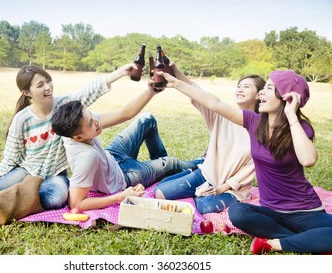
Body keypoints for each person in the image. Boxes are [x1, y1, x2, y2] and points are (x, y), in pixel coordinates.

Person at [158, 69, 332, 254]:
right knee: (238, 213)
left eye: (269, 88)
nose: (261, 93)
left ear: (286, 98)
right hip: (270, 212)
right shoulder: (253, 121)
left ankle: (274, 243)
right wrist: (176, 83)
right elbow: (213, 103)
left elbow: (308, 159)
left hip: (305, 211)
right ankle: (303, 240)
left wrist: (291, 114)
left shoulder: (301, 128)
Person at [0, 63, 135, 228]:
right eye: (40, 85)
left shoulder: (64, 105)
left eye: (48, 81)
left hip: (55, 174)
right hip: (26, 171)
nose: (48, 87)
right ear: (27, 92)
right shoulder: (22, 119)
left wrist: (121, 72)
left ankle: (9, 200)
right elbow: (10, 157)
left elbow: (91, 90)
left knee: (57, 198)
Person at [51, 80, 202, 211]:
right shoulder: (86, 158)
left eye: (91, 115)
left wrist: (151, 91)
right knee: (171, 163)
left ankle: (163, 171)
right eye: (91, 123)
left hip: (113, 156)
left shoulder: (72, 129)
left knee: (146, 119)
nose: (96, 121)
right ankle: (206, 163)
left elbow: (124, 113)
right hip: (124, 178)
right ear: (77, 137)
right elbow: (76, 203)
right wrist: (120, 197)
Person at [154, 63, 265, 215]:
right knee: (159, 192)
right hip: (207, 174)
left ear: (259, 94)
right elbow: (199, 95)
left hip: (231, 187)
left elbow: (251, 168)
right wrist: (176, 72)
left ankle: (193, 181)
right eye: (239, 86)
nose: (240, 89)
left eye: (246, 87)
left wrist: (224, 187)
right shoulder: (222, 116)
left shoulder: (262, 129)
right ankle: (195, 172)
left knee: (205, 208)